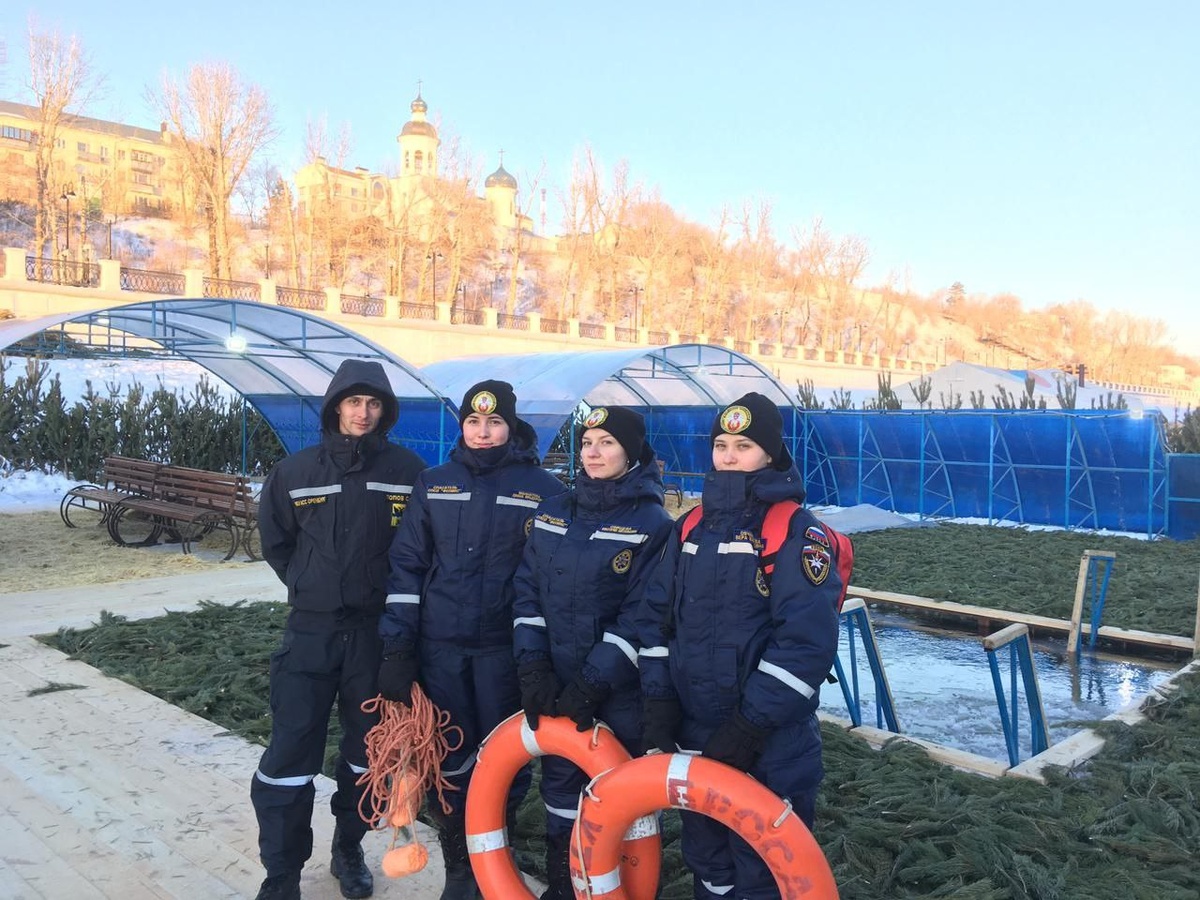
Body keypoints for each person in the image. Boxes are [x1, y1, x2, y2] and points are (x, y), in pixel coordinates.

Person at [636, 392, 841, 900]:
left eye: (744, 445)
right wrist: (659, 700)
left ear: (770, 455)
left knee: (764, 872)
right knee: (708, 861)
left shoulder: (795, 531)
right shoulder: (689, 528)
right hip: (696, 730)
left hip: (772, 742)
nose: (728, 456)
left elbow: (805, 645)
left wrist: (750, 725)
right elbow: (656, 622)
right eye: (721, 444)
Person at [377, 379, 566, 900]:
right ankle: (461, 872)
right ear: (463, 426)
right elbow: (407, 568)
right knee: (450, 761)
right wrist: (397, 648)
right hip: (441, 650)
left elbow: (550, 579)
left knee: (503, 762)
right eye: (473, 422)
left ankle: (494, 863)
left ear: (511, 426)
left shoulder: (544, 490)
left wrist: (539, 658)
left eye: (494, 422)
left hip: (505, 653)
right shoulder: (433, 483)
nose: (483, 433)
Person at [251, 358, 429, 900]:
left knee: (366, 755)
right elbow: (277, 544)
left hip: (374, 639)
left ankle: (347, 848)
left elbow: (419, 551)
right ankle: (281, 876)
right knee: (288, 757)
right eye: (353, 402)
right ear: (335, 407)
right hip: (311, 634)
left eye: (374, 403)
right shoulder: (296, 472)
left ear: (386, 411)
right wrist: (312, 586)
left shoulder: (407, 472)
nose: (363, 413)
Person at [512, 406, 674, 899]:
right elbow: (527, 593)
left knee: (618, 797)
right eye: (587, 442)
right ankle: (562, 886)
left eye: (607, 442)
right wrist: (533, 662)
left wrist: (594, 681)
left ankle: (616, 889)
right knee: (560, 792)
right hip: (556, 684)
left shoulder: (652, 524)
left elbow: (645, 616)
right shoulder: (553, 512)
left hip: (617, 693)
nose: (594, 452)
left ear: (630, 451)